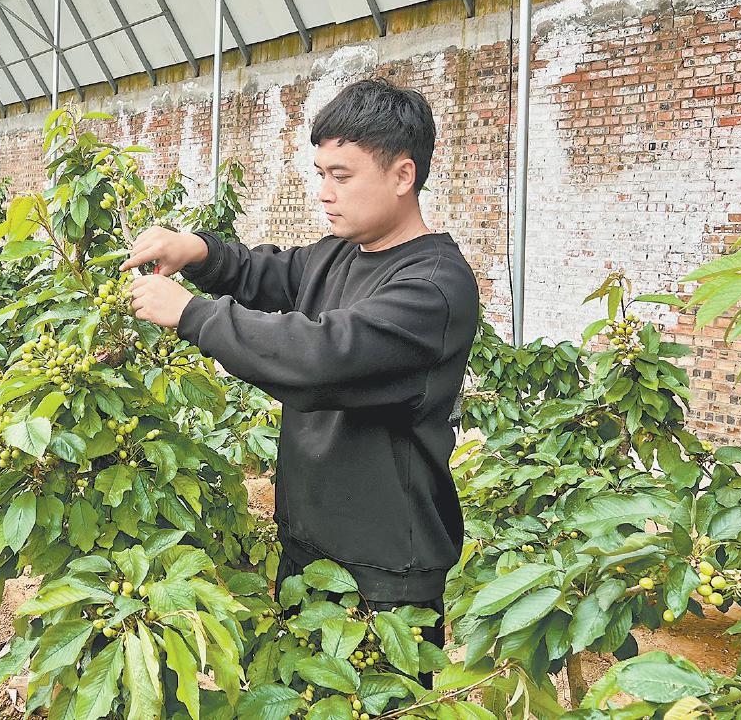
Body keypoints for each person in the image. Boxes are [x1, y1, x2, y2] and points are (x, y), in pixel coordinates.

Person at [119, 78, 480, 688]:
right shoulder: (339, 253)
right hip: (308, 549)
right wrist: (198, 250)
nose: (324, 193)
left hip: (386, 572)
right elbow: (268, 272)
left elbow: (319, 357)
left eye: (341, 176)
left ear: (403, 175)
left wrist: (191, 314)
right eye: (320, 174)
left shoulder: (433, 287)